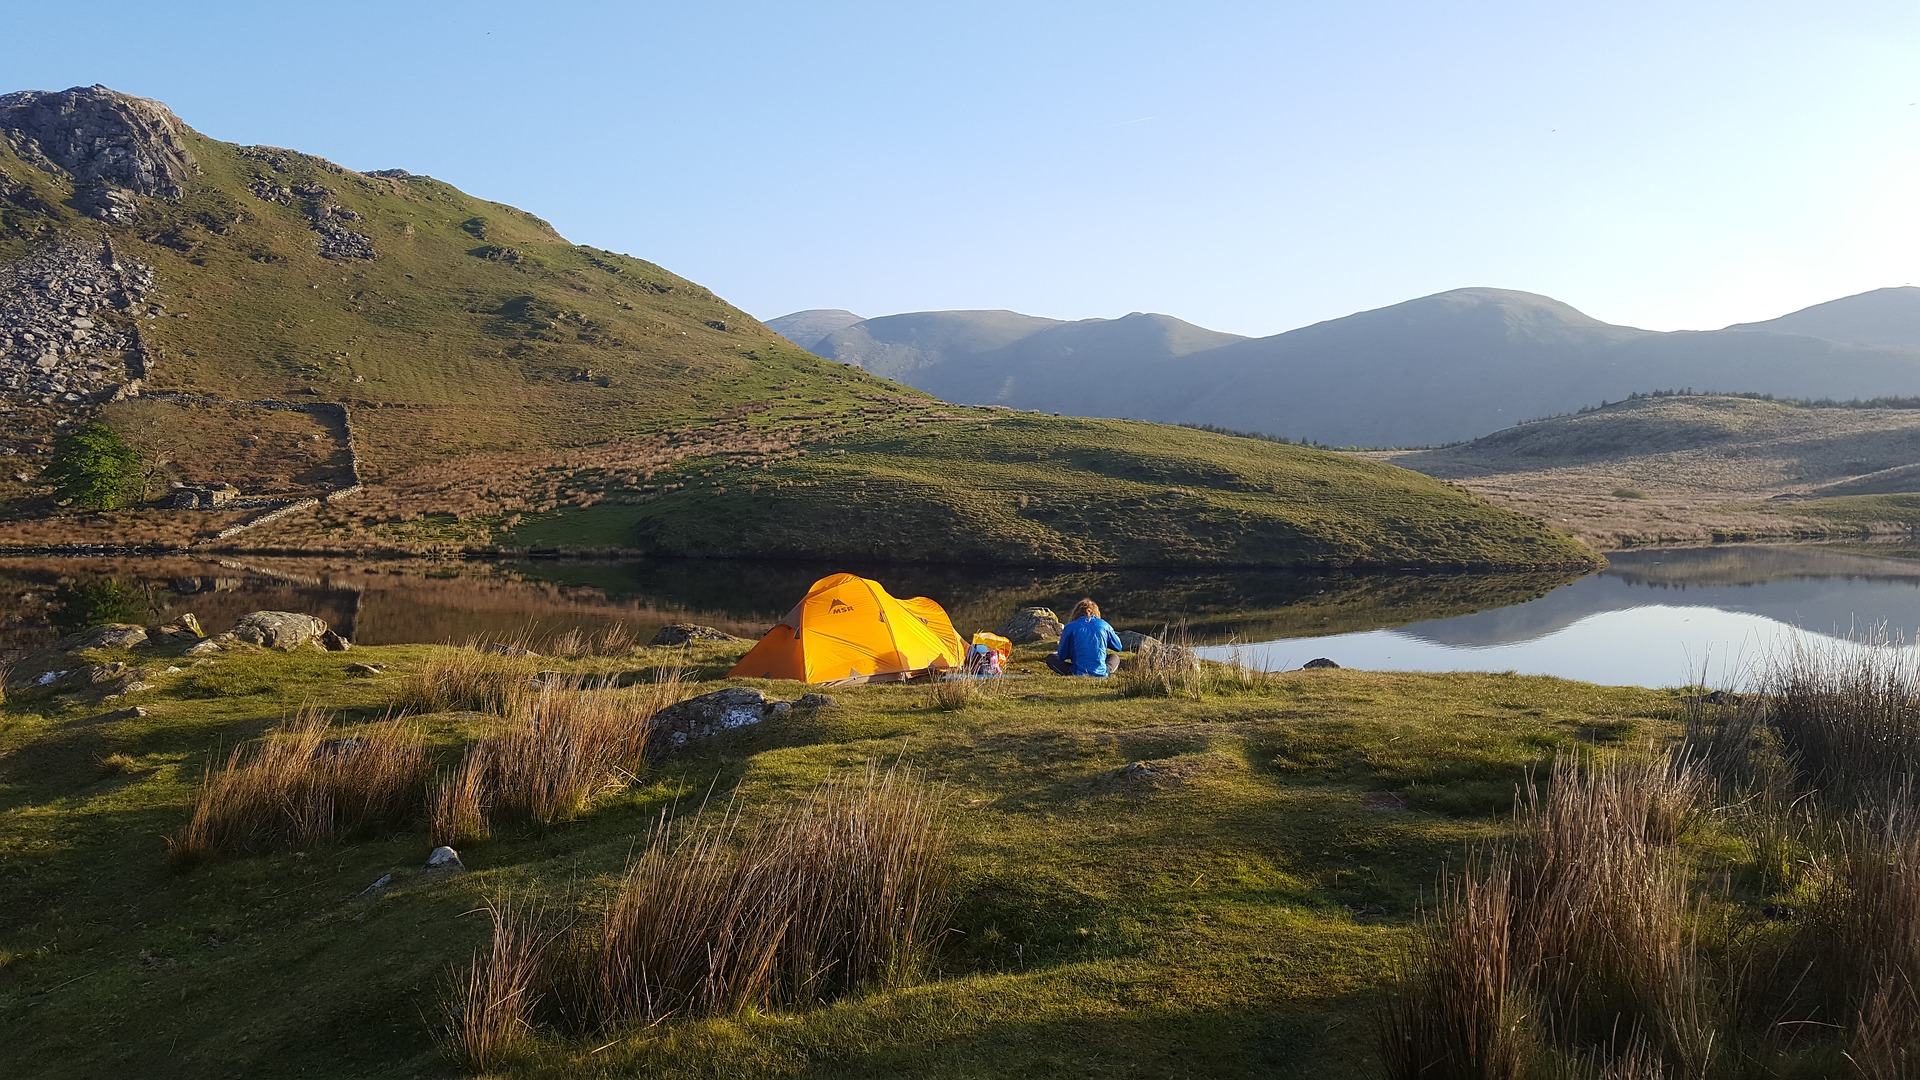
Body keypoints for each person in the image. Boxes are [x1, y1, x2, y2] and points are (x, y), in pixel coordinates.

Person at [1046, 598, 1124, 677]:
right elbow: (1118, 647)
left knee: (1051, 658)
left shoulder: (1070, 627)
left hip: (1077, 672)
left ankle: (1071, 673)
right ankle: (1104, 672)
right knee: (1114, 657)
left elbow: (1061, 656)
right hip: (1101, 673)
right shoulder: (1105, 625)